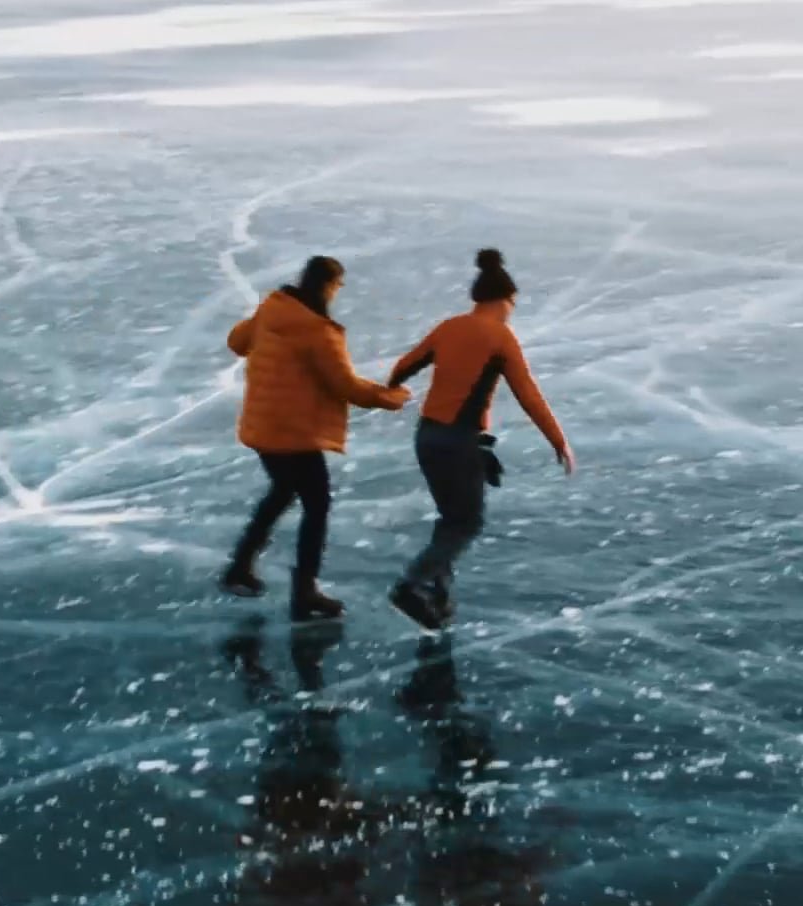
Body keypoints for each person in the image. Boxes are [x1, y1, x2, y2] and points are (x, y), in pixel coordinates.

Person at [381, 248, 573, 629]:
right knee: (465, 524)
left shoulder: (448, 327)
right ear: (506, 301)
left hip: (427, 438)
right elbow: (528, 394)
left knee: (450, 518)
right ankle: (412, 584)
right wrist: (558, 441)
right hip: (458, 441)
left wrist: (389, 390)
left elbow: (404, 366)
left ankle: (439, 594)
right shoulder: (501, 337)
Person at [221, 254, 407, 619]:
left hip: (262, 427)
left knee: (282, 491)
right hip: (294, 433)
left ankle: (240, 567)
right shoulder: (318, 331)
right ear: (328, 286)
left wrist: (262, 325)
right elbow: (346, 385)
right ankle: (304, 590)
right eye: (337, 287)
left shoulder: (273, 309)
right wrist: (390, 397)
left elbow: (236, 342)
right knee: (316, 505)